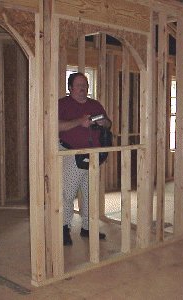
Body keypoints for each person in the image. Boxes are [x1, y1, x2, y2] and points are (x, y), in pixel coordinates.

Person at [58, 72, 112, 246]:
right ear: (70, 88)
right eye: (79, 85)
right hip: (72, 155)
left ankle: (88, 228)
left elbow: (108, 123)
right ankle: (64, 229)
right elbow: (56, 125)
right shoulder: (62, 104)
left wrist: (104, 123)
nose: (83, 89)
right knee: (68, 194)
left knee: (90, 194)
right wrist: (79, 122)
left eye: (85, 85)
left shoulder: (95, 104)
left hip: (94, 156)